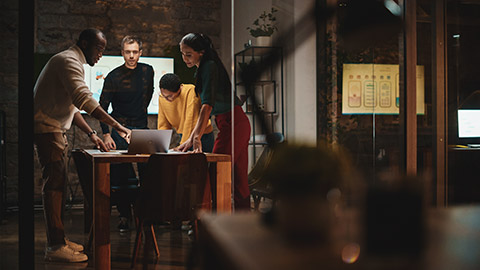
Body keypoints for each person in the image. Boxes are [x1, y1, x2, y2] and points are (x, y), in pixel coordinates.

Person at [34, 28, 131, 263]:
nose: (100, 54)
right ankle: (55, 246)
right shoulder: (68, 60)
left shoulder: (72, 61)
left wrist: (91, 134)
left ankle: (59, 239)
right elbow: (84, 99)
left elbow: (73, 107)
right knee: (54, 186)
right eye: (98, 48)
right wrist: (117, 126)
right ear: (84, 43)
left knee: (58, 185)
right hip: (47, 129)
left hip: (53, 129)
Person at [176, 33, 251, 210]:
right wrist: (191, 138)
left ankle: (209, 220)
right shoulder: (203, 67)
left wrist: (196, 138)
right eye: (182, 54)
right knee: (238, 178)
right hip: (233, 122)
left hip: (234, 123)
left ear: (201, 52)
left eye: (188, 54)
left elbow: (207, 106)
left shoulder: (209, 66)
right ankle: (242, 220)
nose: (185, 58)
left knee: (216, 173)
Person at [98, 35, 154, 232]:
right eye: (127, 52)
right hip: (119, 130)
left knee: (149, 173)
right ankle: (124, 216)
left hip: (141, 128)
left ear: (140, 52)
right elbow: (102, 108)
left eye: (135, 52)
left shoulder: (148, 71)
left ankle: (146, 214)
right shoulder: (113, 76)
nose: (131, 56)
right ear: (122, 53)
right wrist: (106, 134)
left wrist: (138, 122)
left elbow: (148, 96)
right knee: (121, 175)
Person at [158, 73, 214, 152]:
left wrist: (181, 146)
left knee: (200, 163)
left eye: (170, 96)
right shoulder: (162, 98)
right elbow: (163, 124)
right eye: (163, 95)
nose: (166, 99)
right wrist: (161, 147)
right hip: (183, 135)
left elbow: (190, 121)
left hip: (201, 136)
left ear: (179, 89)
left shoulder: (191, 91)